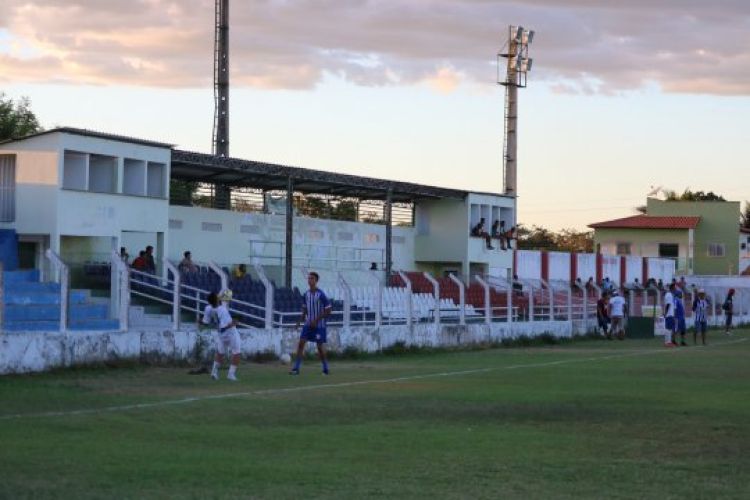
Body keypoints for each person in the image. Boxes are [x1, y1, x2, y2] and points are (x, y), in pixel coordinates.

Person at [290, 272, 332, 375]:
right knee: (301, 344)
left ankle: (325, 368)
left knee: (319, 347)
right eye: (309, 279)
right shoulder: (306, 294)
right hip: (308, 324)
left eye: (312, 278)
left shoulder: (321, 294)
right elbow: (305, 309)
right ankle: (296, 368)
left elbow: (328, 310)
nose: (310, 280)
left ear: (316, 281)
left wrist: (316, 320)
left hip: (319, 325)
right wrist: (300, 322)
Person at [202, 290, 241, 381]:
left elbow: (206, 322)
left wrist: (199, 321)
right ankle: (231, 374)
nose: (219, 296)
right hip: (231, 333)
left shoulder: (208, 308)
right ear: (216, 300)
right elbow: (224, 327)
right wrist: (234, 323)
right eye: (217, 296)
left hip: (220, 335)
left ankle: (214, 373)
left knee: (220, 353)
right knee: (237, 353)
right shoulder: (222, 310)